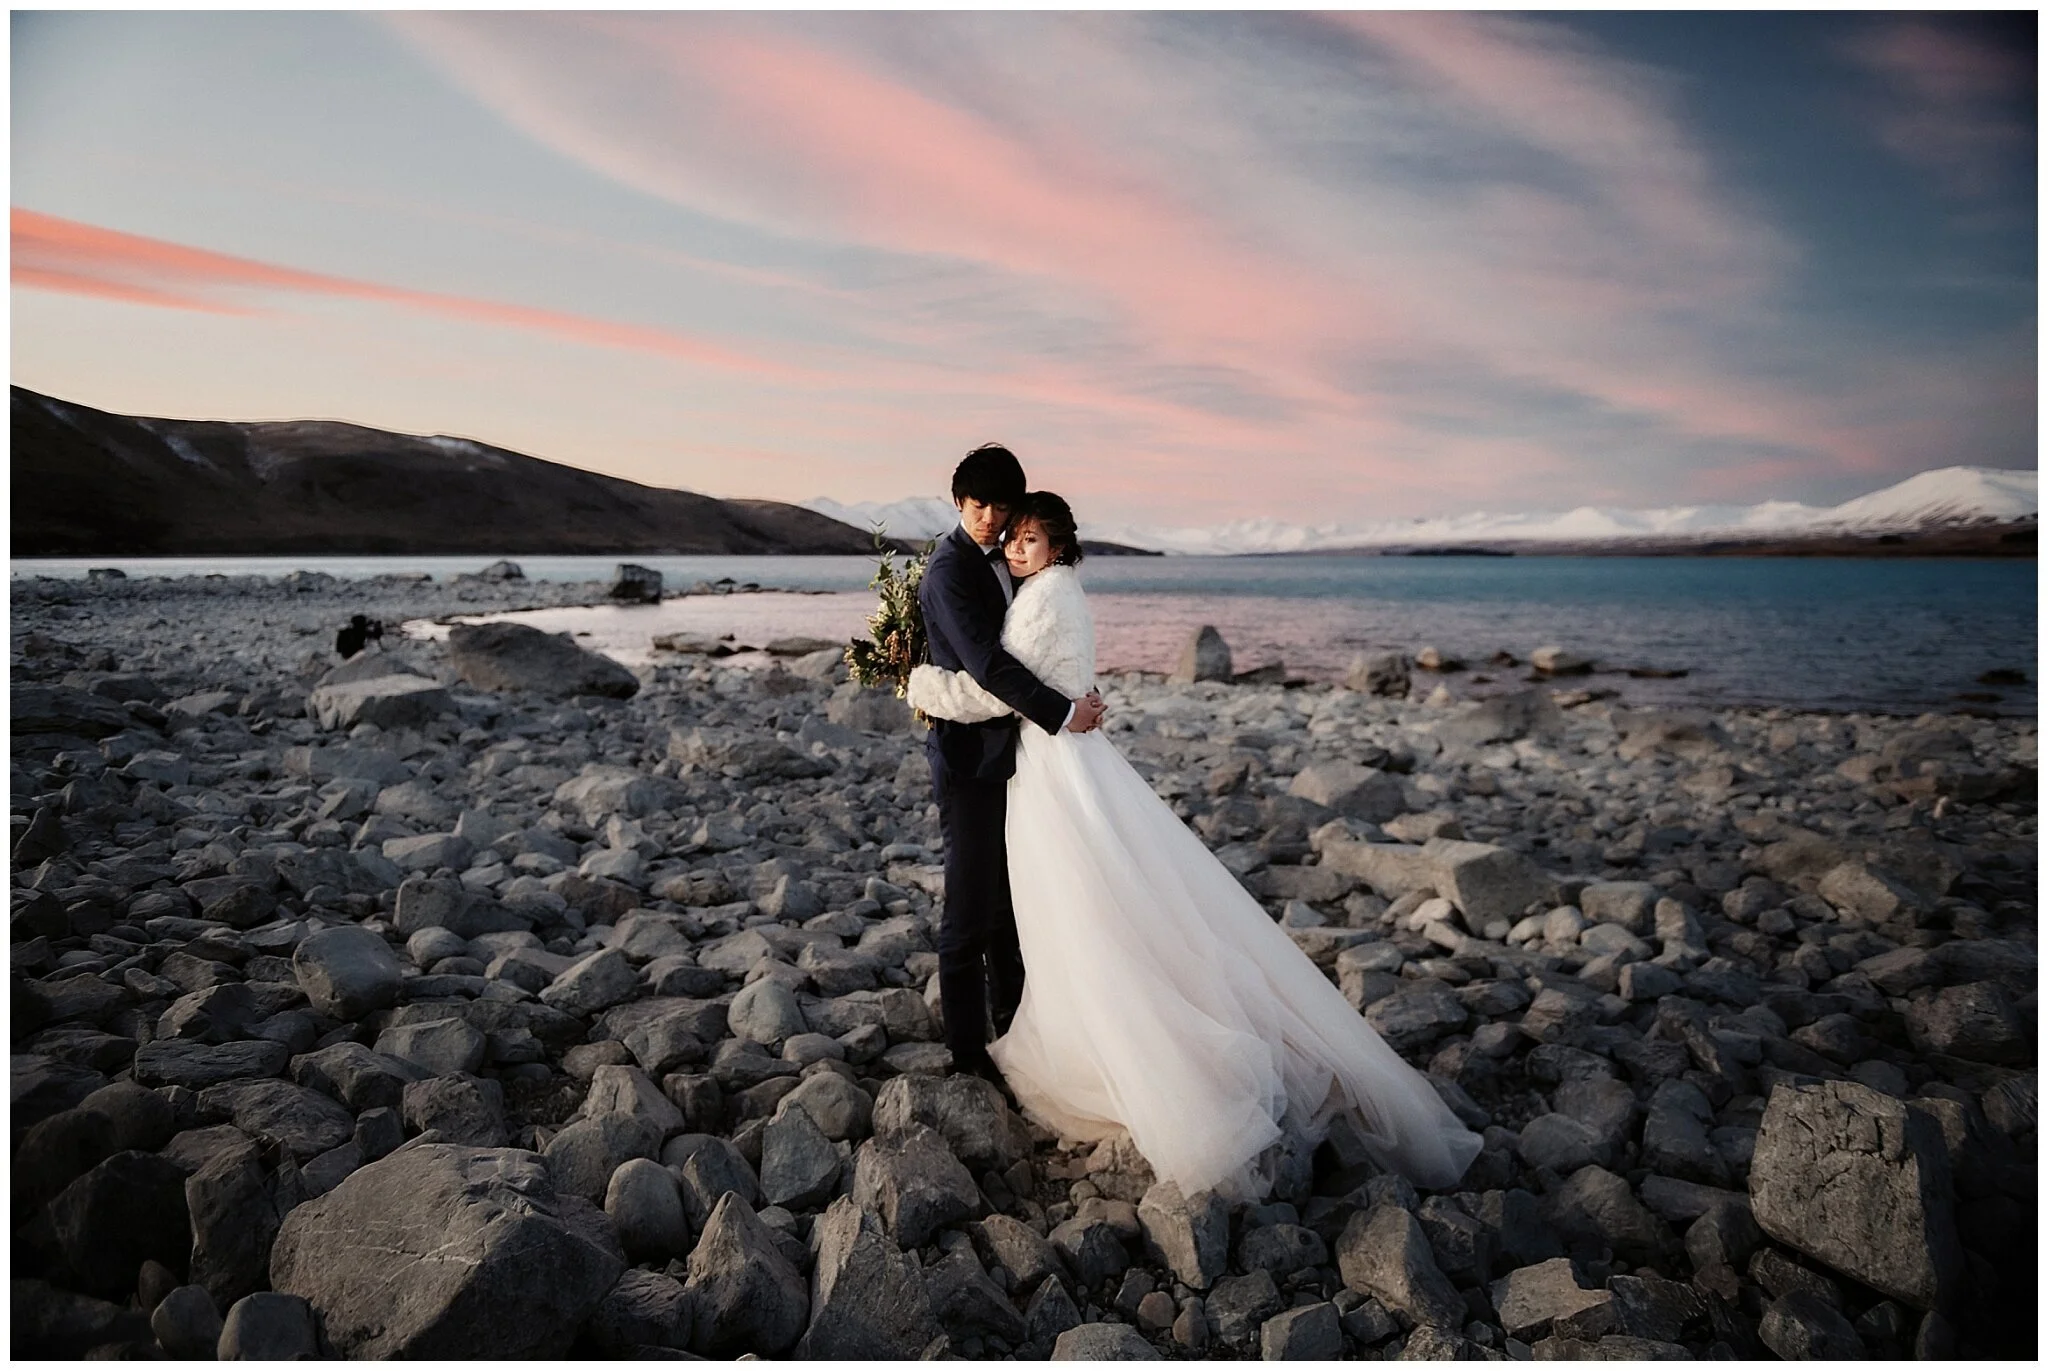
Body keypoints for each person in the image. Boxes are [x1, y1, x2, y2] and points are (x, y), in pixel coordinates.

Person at [908, 491, 1482, 1199]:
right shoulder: (1062, 591)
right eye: (1014, 538)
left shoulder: (1042, 597)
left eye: (1030, 539)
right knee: (1083, 897)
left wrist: (920, 682)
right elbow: (1054, 680)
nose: (1016, 549)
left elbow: (1005, 688)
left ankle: (1130, 1056)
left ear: (1057, 546)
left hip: (1054, 768)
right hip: (1065, 757)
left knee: (1078, 902)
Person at [917, 446, 1107, 1094]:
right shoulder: (948, 571)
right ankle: (967, 1055)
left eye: (1002, 506)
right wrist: (1061, 711)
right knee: (969, 907)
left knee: (1009, 904)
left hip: (1010, 759)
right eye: (980, 505)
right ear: (958, 501)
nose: (992, 518)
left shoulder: (997, 559)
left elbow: (1035, 640)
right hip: (970, 759)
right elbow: (987, 666)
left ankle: (1016, 1032)